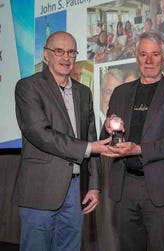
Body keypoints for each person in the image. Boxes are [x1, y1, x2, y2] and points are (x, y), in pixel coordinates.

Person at [13, 31, 111, 251]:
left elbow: (91, 138)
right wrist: (88, 148)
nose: (66, 57)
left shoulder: (84, 92)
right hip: (40, 190)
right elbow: (40, 133)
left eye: (71, 52)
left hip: (77, 189)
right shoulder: (27, 87)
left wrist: (94, 185)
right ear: (46, 54)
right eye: (59, 51)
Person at [101, 31, 164, 251]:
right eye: (143, 54)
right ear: (136, 56)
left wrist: (138, 149)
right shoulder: (121, 93)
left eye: (155, 54)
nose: (149, 61)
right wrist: (107, 125)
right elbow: (106, 137)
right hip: (125, 186)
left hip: (162, 188)